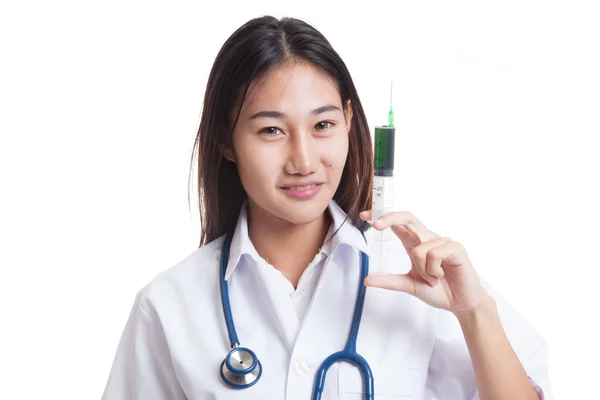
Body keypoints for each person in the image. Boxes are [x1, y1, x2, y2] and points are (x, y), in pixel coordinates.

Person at [101, 15, 552, 400]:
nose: (304, 161)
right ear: (226, 141)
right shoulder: (169, 305)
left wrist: (474, 311)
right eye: (271, 131)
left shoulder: (418, 276)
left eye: (322, 125)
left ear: (350, 122)